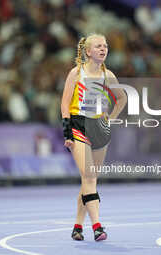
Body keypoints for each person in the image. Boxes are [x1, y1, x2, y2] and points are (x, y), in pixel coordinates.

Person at [61, 34, 127, 241]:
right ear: (88, 51)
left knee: (89, 181)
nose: (103, 49)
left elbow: (122, 98)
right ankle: (97, 226)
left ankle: (77, 227)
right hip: (80, 125)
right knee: (89, 178)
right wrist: (67, 131)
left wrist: (110, 119)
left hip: (99, 126)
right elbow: (64, 104)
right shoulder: (76, 73)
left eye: (105, 46)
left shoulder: (109, 76)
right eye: (98, 46)